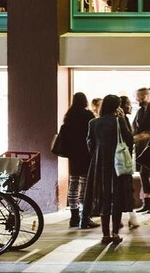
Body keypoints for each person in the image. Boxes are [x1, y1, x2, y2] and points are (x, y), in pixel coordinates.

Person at [84, 95, 134, 245]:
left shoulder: (93, 123)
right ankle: (115, 233)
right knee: (116, 197)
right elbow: (129, 139)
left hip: (99, 163)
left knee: (103, 197)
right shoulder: (119, 121)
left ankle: (105, 234)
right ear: (117, 106)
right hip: (117, 163)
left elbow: (90, 144)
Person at [58, 93, 98, 228]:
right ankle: (84, 216)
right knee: (85, 185)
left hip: (73, 155)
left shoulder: (69, 116)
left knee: (73, 184)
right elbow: (93, 134)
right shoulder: (88, 116)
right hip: (86, 154)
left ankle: (74, 216)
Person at [133, 87, 150, 213]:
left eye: (138, 97)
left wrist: (137, 137)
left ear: (145, 96)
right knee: (143, 174)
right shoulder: (140, 111)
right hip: (141, 148)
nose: (136, 99)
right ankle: (146, 202)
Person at [118, 95, 140, 230]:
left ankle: (119, 219)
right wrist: (138, 137)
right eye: (128, 104)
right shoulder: (122, 119)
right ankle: (132, 218)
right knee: (126, 188)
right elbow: (128, 139)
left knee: (118, 189)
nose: (131, 106)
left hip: (116, 162)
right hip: (122, 161)